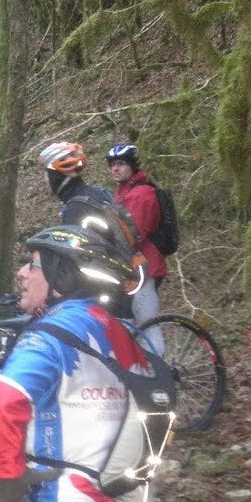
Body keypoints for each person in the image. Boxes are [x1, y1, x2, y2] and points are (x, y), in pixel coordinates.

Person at [0, 225, 156, 502]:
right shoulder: (119, 332)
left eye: (32, 264)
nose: (21, 273)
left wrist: (8, 475)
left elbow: (6, 397)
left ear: (60, 278)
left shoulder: (51, 335)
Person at [38, 142, 152, 334]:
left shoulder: (77, 209)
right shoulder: (96, 194)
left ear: (57, 176)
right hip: (125, 283)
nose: (45, 180)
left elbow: (84, 261)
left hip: (108, 300)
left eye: (47, 174)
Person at [107, 143, 166, 353]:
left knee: (147, 325)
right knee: (127, 324)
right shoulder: (123, 193)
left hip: (146, 268)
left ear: (132, 166)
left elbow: (134, 235)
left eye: (121, 164)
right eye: (112, 165)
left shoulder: (142, 195)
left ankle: (159, 369)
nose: (115, 169)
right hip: (131, 268)